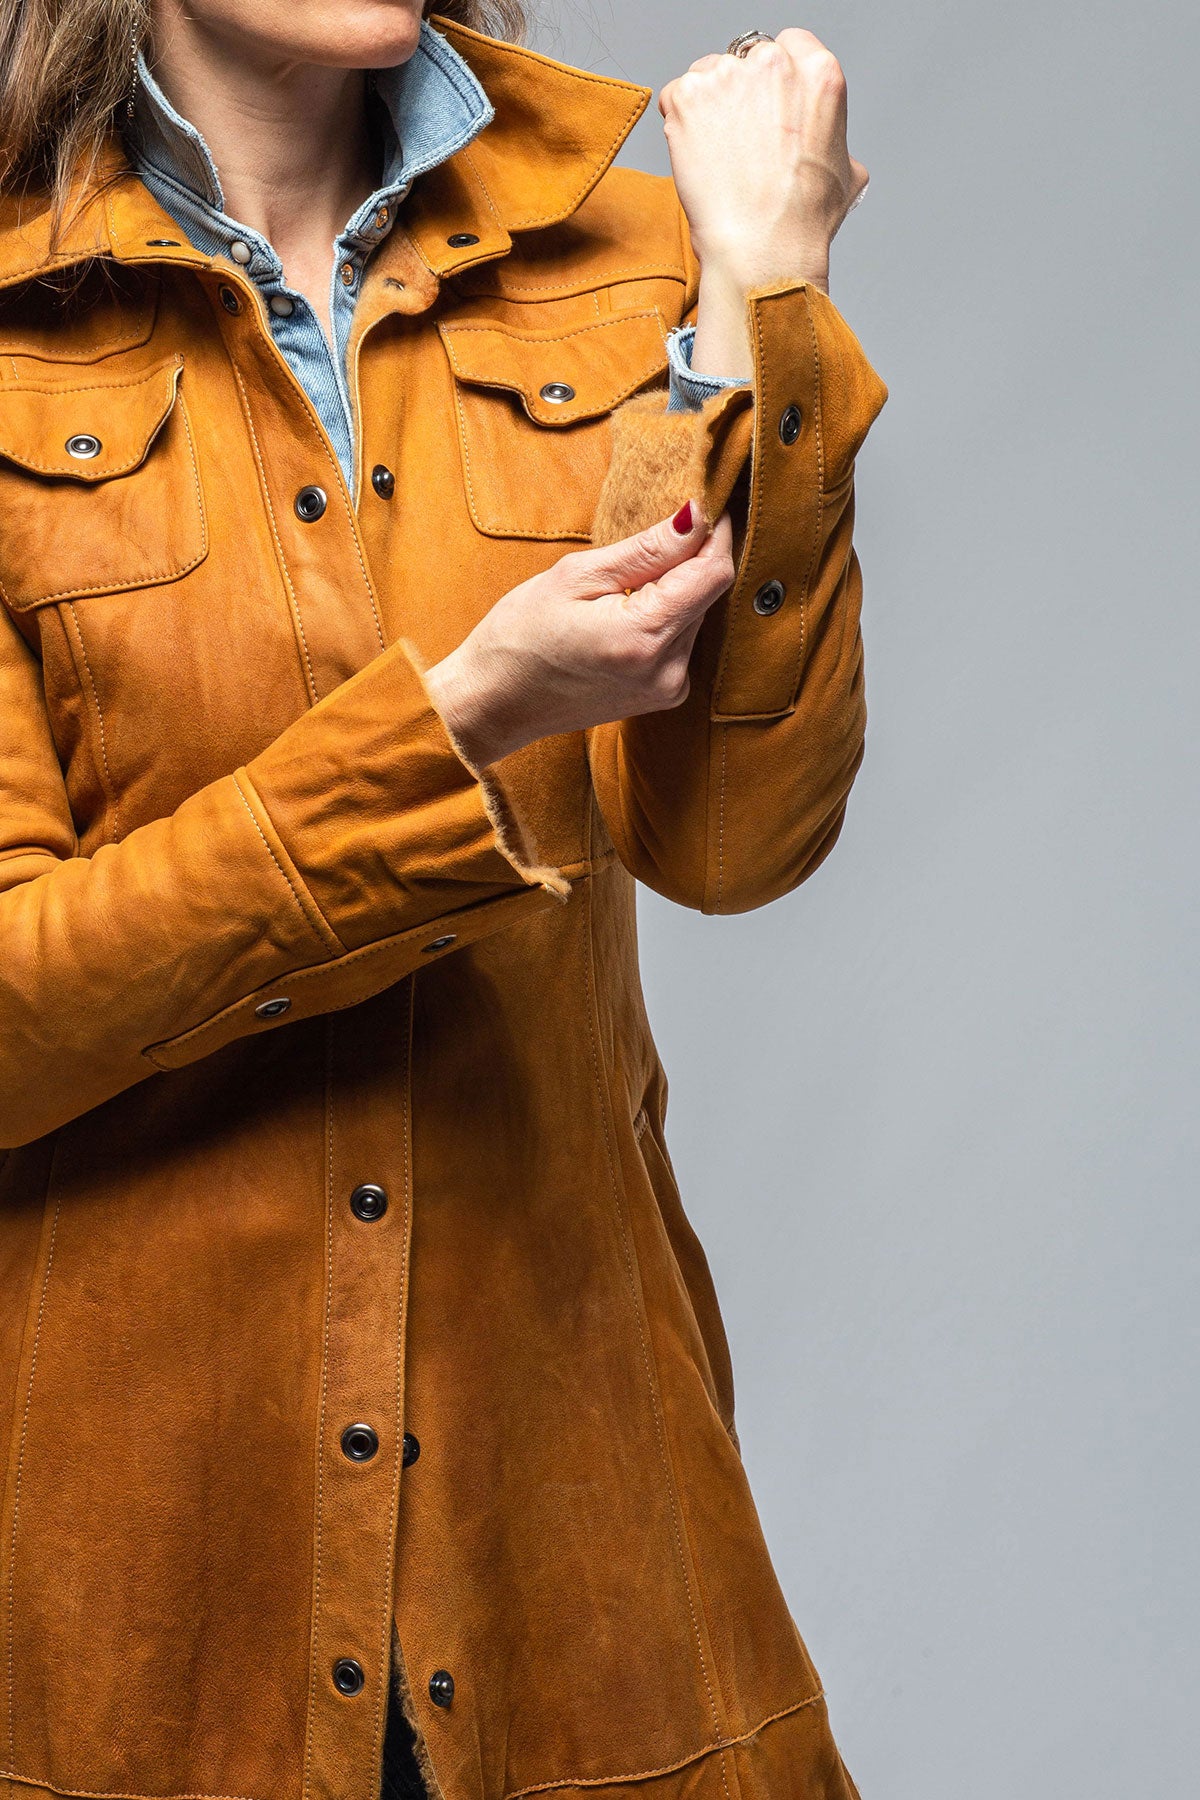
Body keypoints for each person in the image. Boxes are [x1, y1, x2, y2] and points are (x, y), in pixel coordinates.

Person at [0, 3, 886, 1798]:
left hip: (570, 1546)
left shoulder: (628, 253)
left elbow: (730, 842)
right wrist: (459, 720)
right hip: (138, 1590)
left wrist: (761, 298)